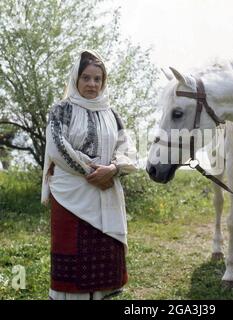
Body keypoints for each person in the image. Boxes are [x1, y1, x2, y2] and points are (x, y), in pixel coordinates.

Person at [41, 49, 137, 300]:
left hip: (106, 194)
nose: (92, 84)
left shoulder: (112, 113)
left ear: (103, 82)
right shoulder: (61, 110)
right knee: (72, 256)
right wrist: (94, 173)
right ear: (76, 79)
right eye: (86, 78)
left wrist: (113, 169)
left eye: (97, 79)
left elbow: (127, 148)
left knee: (103, 255)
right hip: (70, 195)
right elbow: (57, 147)